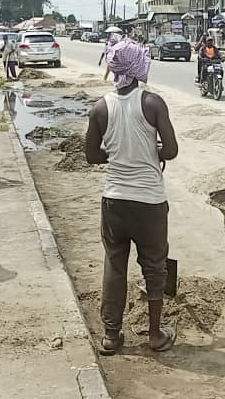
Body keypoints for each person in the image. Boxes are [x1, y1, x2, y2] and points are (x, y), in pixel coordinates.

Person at [84, 39, 178, 355]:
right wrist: (152, 151)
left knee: (115, 264)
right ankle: (154, 335)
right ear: (139, 67)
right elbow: (172, 150)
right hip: (149, 201)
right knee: (154, 266)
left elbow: (91, 156)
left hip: (114, 200)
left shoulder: (100, 107)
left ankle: (111, 335)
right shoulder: (152, 103)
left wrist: (117, 153)